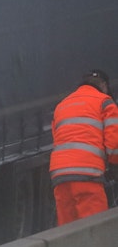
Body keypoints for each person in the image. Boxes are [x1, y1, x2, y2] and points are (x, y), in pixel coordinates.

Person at [49, 69, 118, 225]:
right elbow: (114, 144)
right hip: (88, 175)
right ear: (104, 85)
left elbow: (57, 138)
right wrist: (114, 167)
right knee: (95, 228)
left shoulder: (62, 105)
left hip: (60, 176)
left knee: (68, 231)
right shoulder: (105, 102)